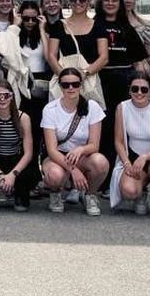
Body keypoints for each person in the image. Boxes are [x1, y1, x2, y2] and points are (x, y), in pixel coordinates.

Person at [95, 0, 149, 187]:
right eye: (107, 0)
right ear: (101, 3)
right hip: (101, 83)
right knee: (103, 130)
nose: (110, 4)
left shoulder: (127, 28)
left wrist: (143, 88)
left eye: (114, 0)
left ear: (120, 4)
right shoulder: (95, 26)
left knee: (124, 130)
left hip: (124, 81)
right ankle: (103, 177)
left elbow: (139, 61)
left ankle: (126, 175)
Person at [40, 68, 109, 216]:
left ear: (81, 85)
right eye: (66, 85)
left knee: (101, 162)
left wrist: (80, 150)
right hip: (58, 156)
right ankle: (55, 193)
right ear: (60, 86)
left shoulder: (92, 107)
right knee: (54, 175)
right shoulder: (50, 109)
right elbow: (52, 150)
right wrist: (74, 170)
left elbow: (94, 145)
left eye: (75, 84)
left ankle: (90, 194)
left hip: (82, 155)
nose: (71, 88)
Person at [109, 73, 150, 218]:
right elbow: (119, 141)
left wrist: (145, 157)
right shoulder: (122, 108)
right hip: (132, 156)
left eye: (144, 90)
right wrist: (126, 162)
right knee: (129, 191)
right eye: (135, 89)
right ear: (129, 90)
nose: (139, 93)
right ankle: (141, 194)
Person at [47, 0, 108, 107]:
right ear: (69, 1)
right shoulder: (59, 26)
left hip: (89, 80)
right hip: (63, 83)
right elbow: (51, 55)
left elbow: (104, 57)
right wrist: (66, 78)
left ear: (89, 1)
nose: (77, 2)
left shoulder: (99, 26)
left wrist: (84, 74)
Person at [0, 80, 37, 212]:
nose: (2, 99)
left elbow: (28, 153)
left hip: (16, 158)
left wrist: (13, 175)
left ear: (12, 96)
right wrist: (0, 175)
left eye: (6, 95)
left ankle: (16, 191)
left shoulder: (23, 117)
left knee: (22, 207)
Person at [16, 0, 51, 155]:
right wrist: (16, 26)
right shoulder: (14, 34)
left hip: (40, 81)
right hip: (21, 80)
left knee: (37, 124)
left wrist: (42, 29)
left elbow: (49, 56)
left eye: (33, 19)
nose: (30, 22)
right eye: (26, 18)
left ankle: (37, 161)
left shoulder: (44, 34)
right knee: (21, 123)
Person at [121, 0, 150, 79]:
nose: (128, 1)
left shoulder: (146, 26)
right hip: (122, 70)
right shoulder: (113, 25)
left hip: (142, 73)